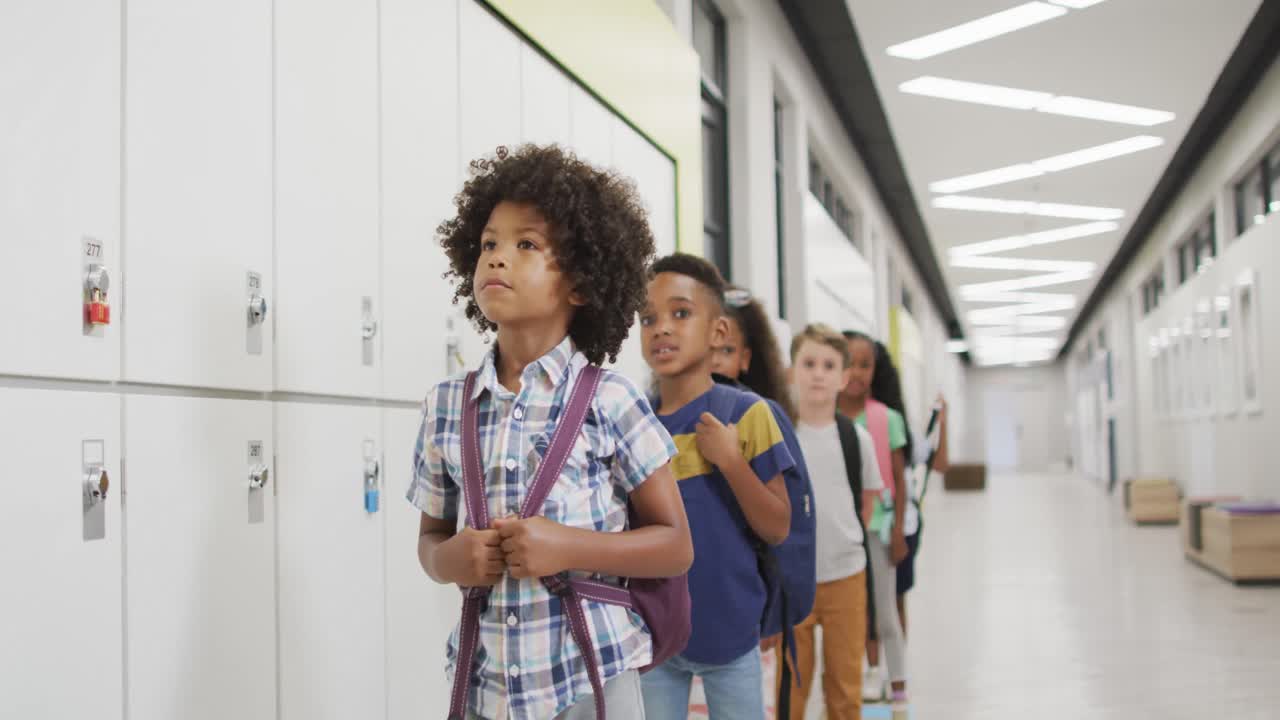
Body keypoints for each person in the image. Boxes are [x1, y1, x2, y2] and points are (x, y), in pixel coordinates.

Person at [408, 145, 694, 720]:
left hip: (592, 683)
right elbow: (431, 539)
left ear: (580, 284)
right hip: (486, 688)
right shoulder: (446, 405)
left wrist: (567, 547)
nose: (497, 258)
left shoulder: (612, 400)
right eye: (489, 243)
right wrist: (448, 561)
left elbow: (675, 547)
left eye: (526, 245)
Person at [639, 254, 795, 720]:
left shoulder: (748, 414)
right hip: (652, 633)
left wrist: (731, 462)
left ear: (718, 331)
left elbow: (777, 527)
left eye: (680, 313)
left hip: (732, 632)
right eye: (648, 319)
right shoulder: (635, 422)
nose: (662, 329)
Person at [777, 324, 883, 720]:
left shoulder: (857, 440)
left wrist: (842, 539)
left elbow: (867, 502)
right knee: (791, 686)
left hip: (846, 578)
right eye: (808, 364)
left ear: (843, 377)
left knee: (844, 687)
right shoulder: (780, 436)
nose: (818, 374)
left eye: (828, 365)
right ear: (792, 372)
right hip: (793, 580)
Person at [838, 332, 909, 710]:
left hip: (878, 529)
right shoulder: (823, 417)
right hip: (839, 532)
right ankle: (864, 675)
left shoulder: (887, 419)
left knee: (885, 612)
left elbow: (899, 480)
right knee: (851, 614)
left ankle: (898, 686)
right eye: (849, 363)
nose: (857, 372)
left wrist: (898, 531)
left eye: (865, 365)